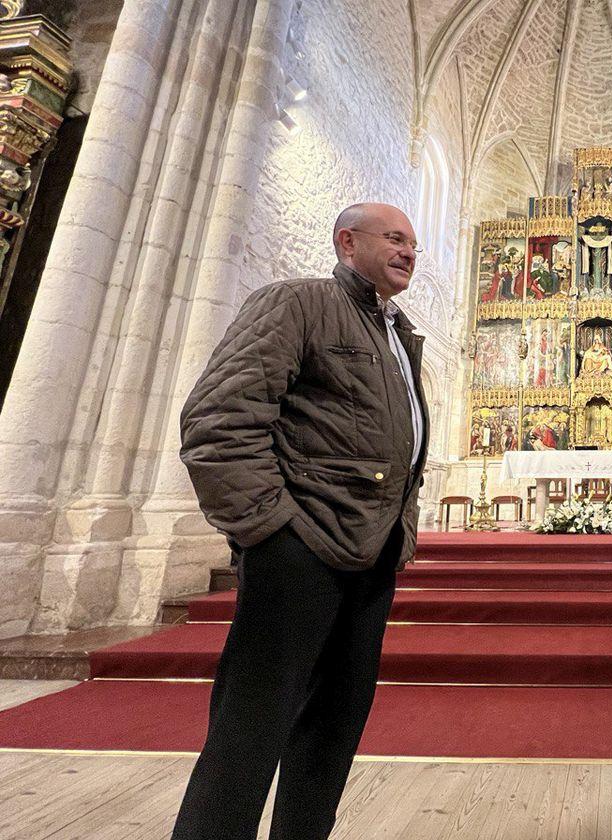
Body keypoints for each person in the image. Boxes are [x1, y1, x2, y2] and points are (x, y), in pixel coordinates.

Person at [174, 202, 430, 840]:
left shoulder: (399, 331)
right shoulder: (297, 302)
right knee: (251, 728)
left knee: (334, 727)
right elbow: (218, 421)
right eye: (394, 239)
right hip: (302, 547)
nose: (408, 252)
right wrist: (270, 531)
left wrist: (404, 527)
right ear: (348, 241)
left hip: (372, 552)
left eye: (414, 245)